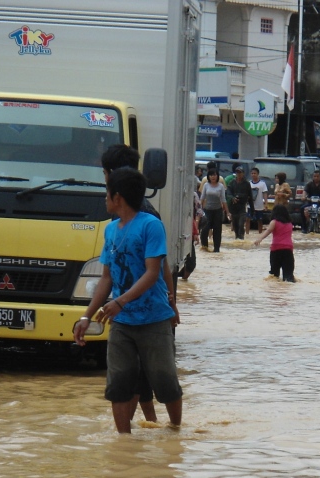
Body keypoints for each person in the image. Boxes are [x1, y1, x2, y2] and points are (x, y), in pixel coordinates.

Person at [73, 168, 183, 433]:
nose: (105, 199)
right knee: (119, 383)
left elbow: (152, 272)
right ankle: (124, 441)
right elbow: (106, 279)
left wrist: (119, 302)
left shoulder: (150, 225)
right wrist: (86, 316)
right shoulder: (110, 231)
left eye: (107, 193)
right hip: (122, 322)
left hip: (154, 318)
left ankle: (175, 433)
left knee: (165, 381)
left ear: (118, 197)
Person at [101, 143, 180, 422]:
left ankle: (157, 425)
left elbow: (159, 268)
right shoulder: (115, 223)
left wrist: (171, 302)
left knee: (156, 377)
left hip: (149, 310)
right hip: (126, 315)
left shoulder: (146, 218)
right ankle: (140, 432)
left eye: (105, 176)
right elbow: (107, 275)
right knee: (130, 378)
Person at [254, 204, 295, 282]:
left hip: (276, 250)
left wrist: (260, 239)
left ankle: (274, 290)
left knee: (274, 275)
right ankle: (288, 293)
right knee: (289, 276)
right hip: (288, 250)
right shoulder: (290, 224)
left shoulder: (274, 222)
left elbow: (268, 231)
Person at [199, 169, 228, 253]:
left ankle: (216, 249)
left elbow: (223, 200)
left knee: (217, 231)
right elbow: (202, 198)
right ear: (208, 176)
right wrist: (199, 209)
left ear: (217, 176)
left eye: (215, 175)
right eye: (211, 175)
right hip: (207, 210)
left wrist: (228, 212)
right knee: (204, 230)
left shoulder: (221, 186)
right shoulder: (206, 185)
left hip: (217, 211)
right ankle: (204, 247)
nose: (213, 177)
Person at [227, 166, 253, 240]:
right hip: (233, 207)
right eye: (237, 172)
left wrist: (252, 210)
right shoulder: (232, 183)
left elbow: (250, 196)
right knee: (235, 226)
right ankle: (237, 239)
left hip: (242, 207)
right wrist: (232, 198)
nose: (238, 174)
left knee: (241, 224)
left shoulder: (246, 184)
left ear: (243, 173)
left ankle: (241, 238)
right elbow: (228, 193)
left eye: (240, 172)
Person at [248, 167, 268, 233]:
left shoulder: (262, 183)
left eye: (255, 173)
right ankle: (247, 234)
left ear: (258, 174)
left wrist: (266, 203)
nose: (253, 175)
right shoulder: (249, 183)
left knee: (260, 220)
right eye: (252, 173)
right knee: (247, 219)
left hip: (259, 205)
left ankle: (260, 233)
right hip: (250, 205)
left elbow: (265, 193)